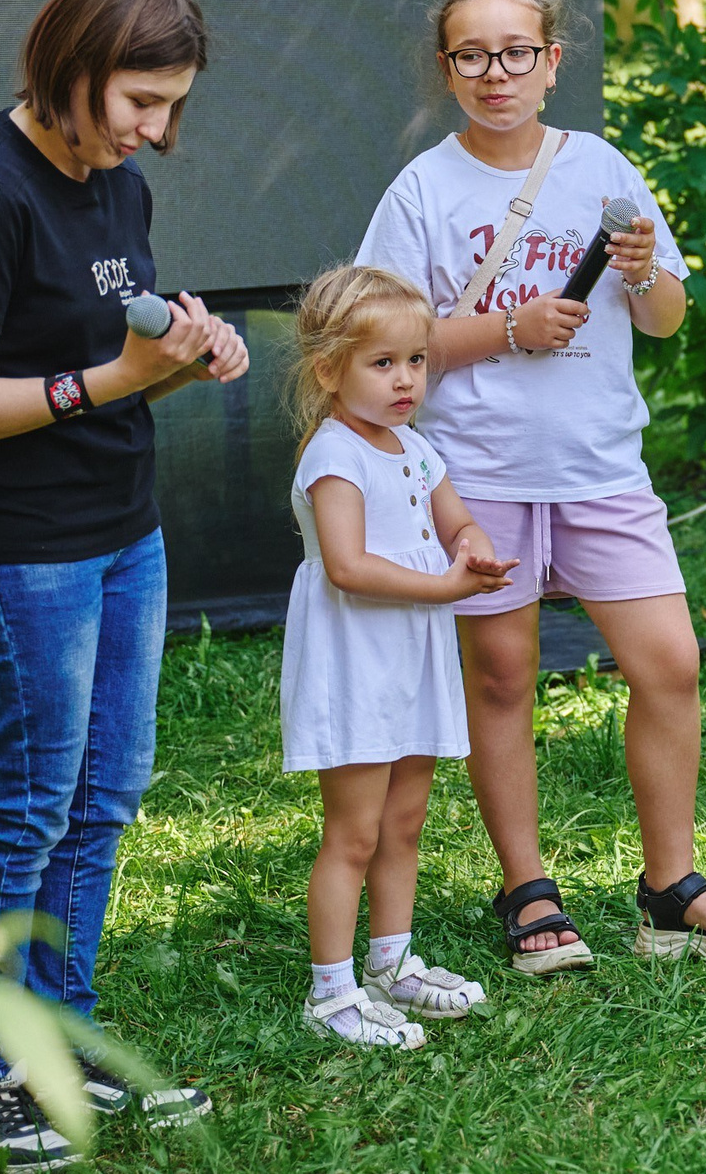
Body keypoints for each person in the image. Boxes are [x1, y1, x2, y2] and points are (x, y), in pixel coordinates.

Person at [356, 0, 706, 968]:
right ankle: (528, 891)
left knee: (669, 662)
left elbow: (668, 314)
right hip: (479, 471)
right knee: (503, 676)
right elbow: (383, 334)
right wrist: (507, 327)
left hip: (601, 469)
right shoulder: (423, 188)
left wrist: (638, 272)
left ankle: (669, 887)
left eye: (516, 52)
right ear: (446, 69)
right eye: (472, 54)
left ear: (552, 63)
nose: (495, 72)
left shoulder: (598, 166)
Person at [0, 0, 249, 1166]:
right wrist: (112, 380)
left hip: (121, 528)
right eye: (139, 102)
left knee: (103, 794)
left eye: (171, 108)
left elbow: (116, 312)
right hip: (12, 551)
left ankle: (59, 1029)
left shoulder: (110, 182)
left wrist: (183, 334)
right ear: (69, 68)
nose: (156, 133)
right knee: (27, 805)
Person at [283, 264, 515, 1048]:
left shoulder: (414, 447)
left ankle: (391, 961)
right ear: (329, 369)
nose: (405, 378)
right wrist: (445, 587)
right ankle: (332, 991)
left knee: (404, 818)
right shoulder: (334, 455)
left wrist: (473, 547)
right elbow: (346, 564)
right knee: (353, 830)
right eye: (382, 363)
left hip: (410, 656)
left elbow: (457, 523)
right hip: (354, 660)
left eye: (415, 360)